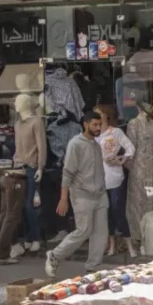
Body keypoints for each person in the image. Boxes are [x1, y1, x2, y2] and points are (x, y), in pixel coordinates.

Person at [46, 112, 109, 277]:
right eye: (94, 125)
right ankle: (55, 255)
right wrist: (63, 199)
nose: (98, 128)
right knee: (83, 231)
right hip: (82, 195)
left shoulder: (96, 145)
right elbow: (67, 173)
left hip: (100, 195)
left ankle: (92, 268)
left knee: (101, 234)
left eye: (99, 125)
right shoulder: (75, 144)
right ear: (85, 124)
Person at [93, 105, 137, 258]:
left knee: (118, 210)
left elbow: (130, 148)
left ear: (106, 115)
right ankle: (112, 244)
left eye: (99, 114)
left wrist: (121, 159)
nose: (97, 117)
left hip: (115, 176)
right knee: (106, 212)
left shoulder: (115, 132)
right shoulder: (94, 134)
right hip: (99, 178)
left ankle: (129, 244)